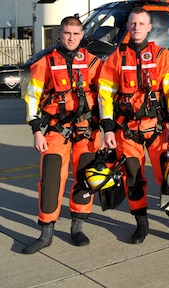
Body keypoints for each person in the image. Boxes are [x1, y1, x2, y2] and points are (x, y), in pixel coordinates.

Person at [98, 7, 169, 244]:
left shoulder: (161, 55)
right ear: (127, 26)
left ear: (149, 28)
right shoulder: (115, 58)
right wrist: (108, 128)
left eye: (141, 23)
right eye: (133, 23)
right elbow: (105, 95)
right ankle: (142, 225)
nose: (136, 27)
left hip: (158, 128)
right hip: (127, 131)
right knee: (133, 178)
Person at [23, 16, 101, 254]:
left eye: (76, 34)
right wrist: (37, 131)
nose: (71, 38)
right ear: (60, 33)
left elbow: (106, 96)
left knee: (85, 179)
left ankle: (77, 228)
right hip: (56, 131)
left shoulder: (93, 62)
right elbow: (32, 97)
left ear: (82, 35)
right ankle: (46, 233)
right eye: (67, 33)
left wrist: (109, 128)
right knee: (50, 180)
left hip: (87, 132)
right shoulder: (46, 62)